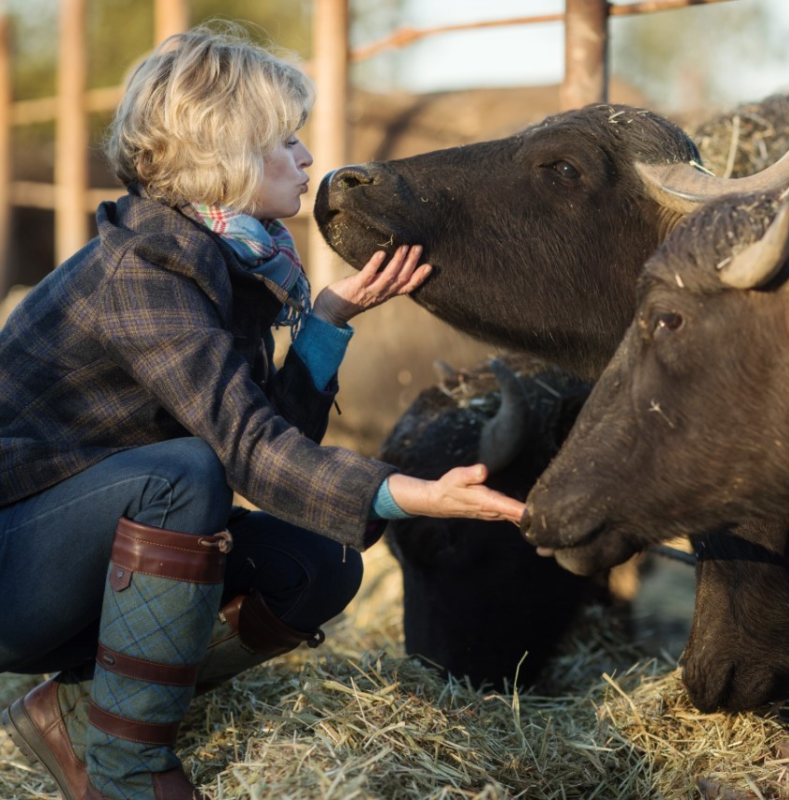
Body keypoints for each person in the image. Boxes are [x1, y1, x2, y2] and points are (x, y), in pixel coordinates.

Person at [0, 23, 525, 800]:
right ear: (223, 153)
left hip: (86, 554)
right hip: (18, 569)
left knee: (320, 565)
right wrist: (407, 492)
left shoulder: (229, 260)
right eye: (284, 140)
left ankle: (79, 714)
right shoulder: (145, 267)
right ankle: (127, 768)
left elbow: (267, 445)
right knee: (178, 477)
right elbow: (243, 452)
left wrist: (328, 323)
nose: (308, 158)